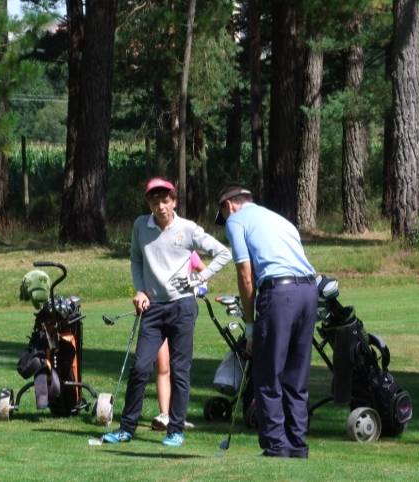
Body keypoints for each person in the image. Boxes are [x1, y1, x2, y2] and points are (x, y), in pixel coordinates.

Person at [103, 178, 231, 447]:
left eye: (164, 200)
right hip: (153, 307)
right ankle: (127, 428)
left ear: (174, 201)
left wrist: (200, 279)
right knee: (140, 368)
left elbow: (222, 253)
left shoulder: (188, 229)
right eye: (154, 201)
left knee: (180, 370)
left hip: (183, 307)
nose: (159, 206)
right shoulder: (141, 225)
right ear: (148, 202)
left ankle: (175, 430)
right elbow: (137, 259)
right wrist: (140, 290)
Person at [214, 184, 317, 459]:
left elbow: (246, 276)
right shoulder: (279, 219)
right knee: (296, 375)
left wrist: (250, 327)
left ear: (229, 206)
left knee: (268, 373)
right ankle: (298, 445)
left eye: (223, 215)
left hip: (280, 294)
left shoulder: (235, 221)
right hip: (309, 292)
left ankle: (276, 446)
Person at [151, 251, 206, 431]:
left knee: (179, 367)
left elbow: (205, 272)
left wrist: (197, 285)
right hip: (158, 311)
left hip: (181, 312)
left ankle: (177, 417)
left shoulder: (189, 253)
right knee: (163, 365)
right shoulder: (156, 249)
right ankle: (164, 415)